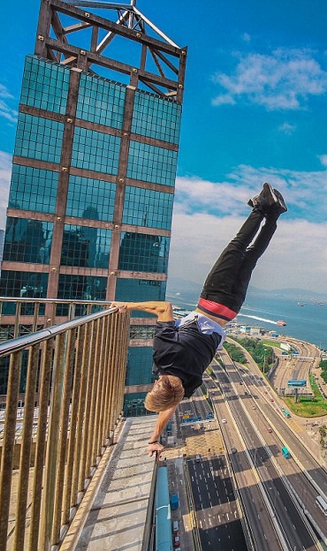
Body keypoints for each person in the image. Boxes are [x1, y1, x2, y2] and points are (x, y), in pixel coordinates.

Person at [112, 182, 287, 456]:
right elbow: (163, 308)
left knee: (250, 257)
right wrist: (128, 305)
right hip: (212, 299)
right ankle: (261, 206)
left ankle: (273, 214)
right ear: (158, 383)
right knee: (236, 248)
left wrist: (154, 438)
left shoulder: (191, 381)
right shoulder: (164, 354)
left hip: (230, 310)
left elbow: (170, 407)